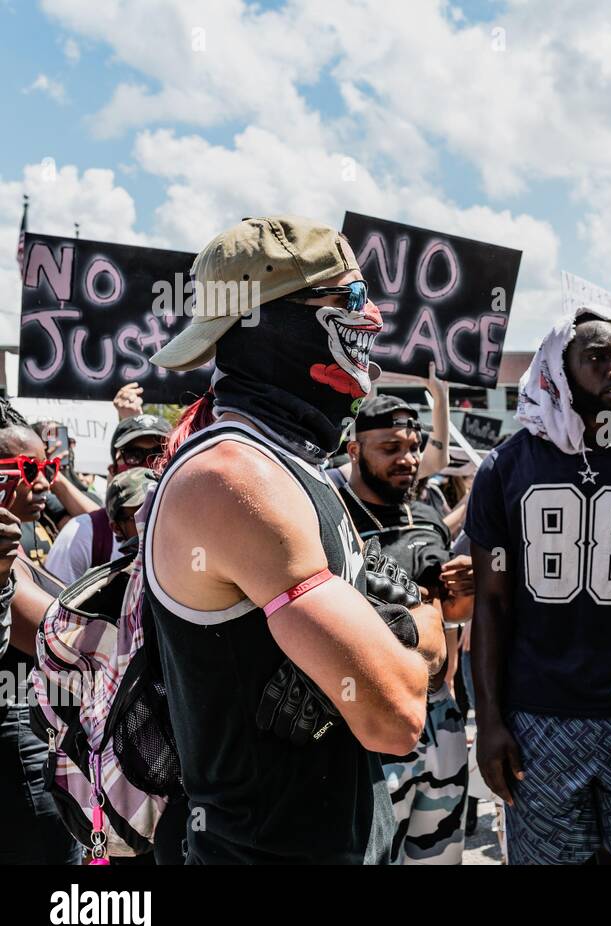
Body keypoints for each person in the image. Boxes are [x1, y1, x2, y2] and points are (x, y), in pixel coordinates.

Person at [144, 215, 438, 864]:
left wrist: (392, 634)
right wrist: (415, 628)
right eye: (353, 301)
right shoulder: (231, 480)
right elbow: (395, 716)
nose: (374, 322)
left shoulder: (289, 465)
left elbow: (393, 660)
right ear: (267, 320)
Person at [467, 307, 611, 865]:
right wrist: (489, 720)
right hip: (541, 716)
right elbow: (489, 603)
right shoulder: (505, 467)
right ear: (559, 371)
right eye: (597, 357)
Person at [337, 393, 474, 864]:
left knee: (439, 854)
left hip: (440, 717)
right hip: (374, 719)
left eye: (413, 446)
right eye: (390, 448)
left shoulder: (430, 516)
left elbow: (450, 616)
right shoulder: (331, 515)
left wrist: (463, 590)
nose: (408, 459)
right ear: (354, 450)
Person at [0, 401, 80, 863]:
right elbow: (65, 638)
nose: (46, 481)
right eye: (30, 468)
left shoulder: (22, 543)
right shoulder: (6, 558)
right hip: (19, 759)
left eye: (48, 465)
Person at [45, 414, 171, 583]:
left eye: (159, 455)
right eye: (133, 455)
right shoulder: (82, 534)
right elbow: (53, 606)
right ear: (113, 470)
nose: (147, 465)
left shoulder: (195, 531)